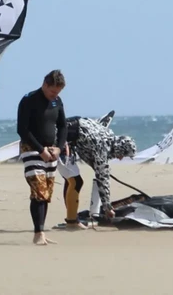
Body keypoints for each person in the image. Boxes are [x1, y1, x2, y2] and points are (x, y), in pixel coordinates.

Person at [16, 69, 67, 245]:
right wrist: (40, 150)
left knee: (46, 193)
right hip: (31, 148)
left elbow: (62, 126)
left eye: (57, 92)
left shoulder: (57, 101)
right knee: (39, 190)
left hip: (51, 150)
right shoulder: (29, 100)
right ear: (45, 85)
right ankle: (38, 233)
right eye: (52, 91)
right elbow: (22, 129)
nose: (54, 95)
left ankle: (41, 231)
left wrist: (59, 148)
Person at [59, 116, 137, 228]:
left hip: (63, 133)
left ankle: (72, 218)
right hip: (60, 139)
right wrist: (107, 207)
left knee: (71, 180)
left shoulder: (107, 134)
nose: (120, 158)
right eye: (123, 154)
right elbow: (103, 178)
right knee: (75, 182)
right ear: (120, 147)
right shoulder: (102, 147)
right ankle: (72, 221)